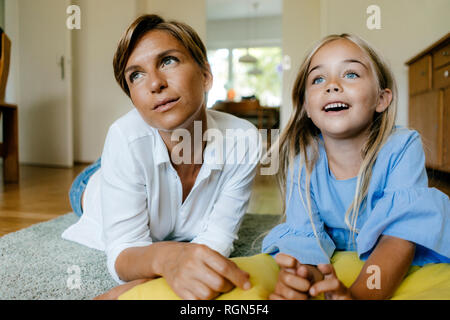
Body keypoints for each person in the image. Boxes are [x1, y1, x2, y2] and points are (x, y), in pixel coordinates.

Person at [62, 14, 261, 300]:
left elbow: (216, 241)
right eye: (136, 75)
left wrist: (149, 284)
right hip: (90, 185)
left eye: (168, 60)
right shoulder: (123, 136)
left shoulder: (244, 140)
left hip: (136, 152)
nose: (155, 83)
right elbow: (123, 251)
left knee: (132, 152)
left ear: (205, 75)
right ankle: (107, 165)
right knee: (112, 163)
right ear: (133, 100)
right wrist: (168, 259)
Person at [262, 33, 450, 300]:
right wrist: (307, 282)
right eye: (318, 78)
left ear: (382, 99)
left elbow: (399, 237)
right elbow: (305, 240)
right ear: (307, 107)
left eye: (350, 74)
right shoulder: (303, 160)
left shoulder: (402, 147)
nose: (332, 85)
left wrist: (360, 295)